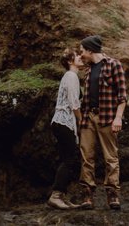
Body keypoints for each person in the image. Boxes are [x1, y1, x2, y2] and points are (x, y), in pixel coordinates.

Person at [75, 34, 127, 210]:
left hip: (107, 118)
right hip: (88, 118)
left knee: (110, 157)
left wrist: (118, 117)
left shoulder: (114, 65)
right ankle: (87, 195)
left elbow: (122, 96)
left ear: (90, 50)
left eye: (82, 51)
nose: (80, 54)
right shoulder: (89, 69)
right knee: (86, 156)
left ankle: (113, 194)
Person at [47, 47, 84, 209]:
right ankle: (56, 196)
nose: (81, 57)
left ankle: (61, 196)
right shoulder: (70, 75)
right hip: (63, 122)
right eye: (77, 56)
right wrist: (82, 121)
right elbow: (74, 102)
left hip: (63, 123)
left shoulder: (72, 76)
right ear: (70, 61)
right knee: (68, 159)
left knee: (67, 159)